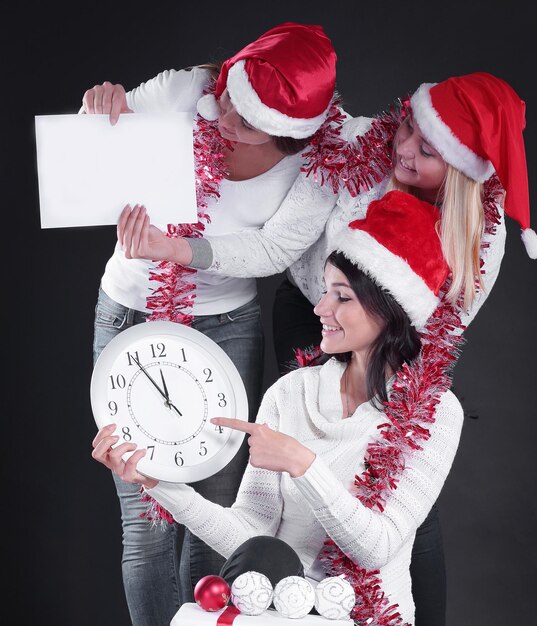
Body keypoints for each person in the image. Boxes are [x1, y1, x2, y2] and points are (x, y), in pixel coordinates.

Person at [117, 71, 537, 625]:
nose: (404, 149)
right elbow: (277, 245)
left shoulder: (479, 231)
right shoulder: (359, 151)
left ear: (461, 168)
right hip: (319, 310)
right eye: (408, 127)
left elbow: (437, 333)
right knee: (291, 481)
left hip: (397, 335)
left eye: (428, 149)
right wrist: (159, 481)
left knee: (394, 491)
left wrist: (393, 414)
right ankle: (303, 593)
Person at [93, 190, 465, 626]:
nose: (320, 308)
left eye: (342, 298)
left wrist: (302, 465)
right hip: (279, 615)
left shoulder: (433, 412)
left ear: (391, 310)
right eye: (325, 291)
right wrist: (158, 482)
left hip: (366, 617)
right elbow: (250, 534)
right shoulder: (290, 393)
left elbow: (377, 547)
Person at [84, 21, 338, 625]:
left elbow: (273, 252)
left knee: (216, 512)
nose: (223, 120)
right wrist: (101, 107)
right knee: (145, 521)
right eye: (225, 101)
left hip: (226, 323)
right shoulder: (183, 91)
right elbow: (91, 146)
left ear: (288, 134)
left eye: (245, 122)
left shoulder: (318, 164)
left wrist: (182, 253)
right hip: (130, 310)